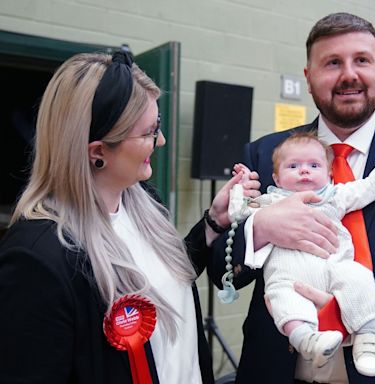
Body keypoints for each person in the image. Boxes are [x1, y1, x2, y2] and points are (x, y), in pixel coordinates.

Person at [209, 12, 375, 384]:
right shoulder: (266, 155)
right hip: (279, 369)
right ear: (308, 77)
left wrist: (353, 313)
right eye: (332, 62)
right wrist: (261, 229)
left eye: (362, 60)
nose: (349, 74)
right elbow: (224, 273)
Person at [0, 51, 259, 384]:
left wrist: (212, 222)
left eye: (159, 126)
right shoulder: (38, 257)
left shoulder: (143, 200)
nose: (161, 141)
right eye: (149, 132)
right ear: (97, 153)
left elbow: (158, 286)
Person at [227, 132, 375, 376]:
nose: (304, 171)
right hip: (290, 275)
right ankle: (306, 340)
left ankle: (368, 340)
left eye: (314, 165)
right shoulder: (270, 201)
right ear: (277, 178)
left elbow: (368, 188)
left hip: (334, 268)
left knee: (359, 277)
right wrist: (241, 187)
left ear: (330, 173)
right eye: (293, 166)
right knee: (281, 297)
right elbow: (239, 212)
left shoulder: (334, 197)